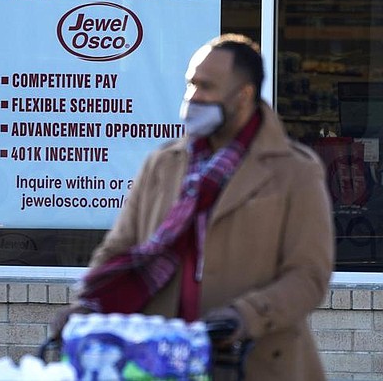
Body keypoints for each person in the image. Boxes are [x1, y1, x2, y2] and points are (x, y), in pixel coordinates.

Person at [54, 34, 334, 380]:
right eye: (190, 84)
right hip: (160, 361)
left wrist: (246, 315)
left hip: (254, 362)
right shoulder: (163, 163)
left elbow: (309, 276)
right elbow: (119, 248)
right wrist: (89, 305)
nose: (192, 97)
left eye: (206, 86)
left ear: (243, 95)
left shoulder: (294, 170)